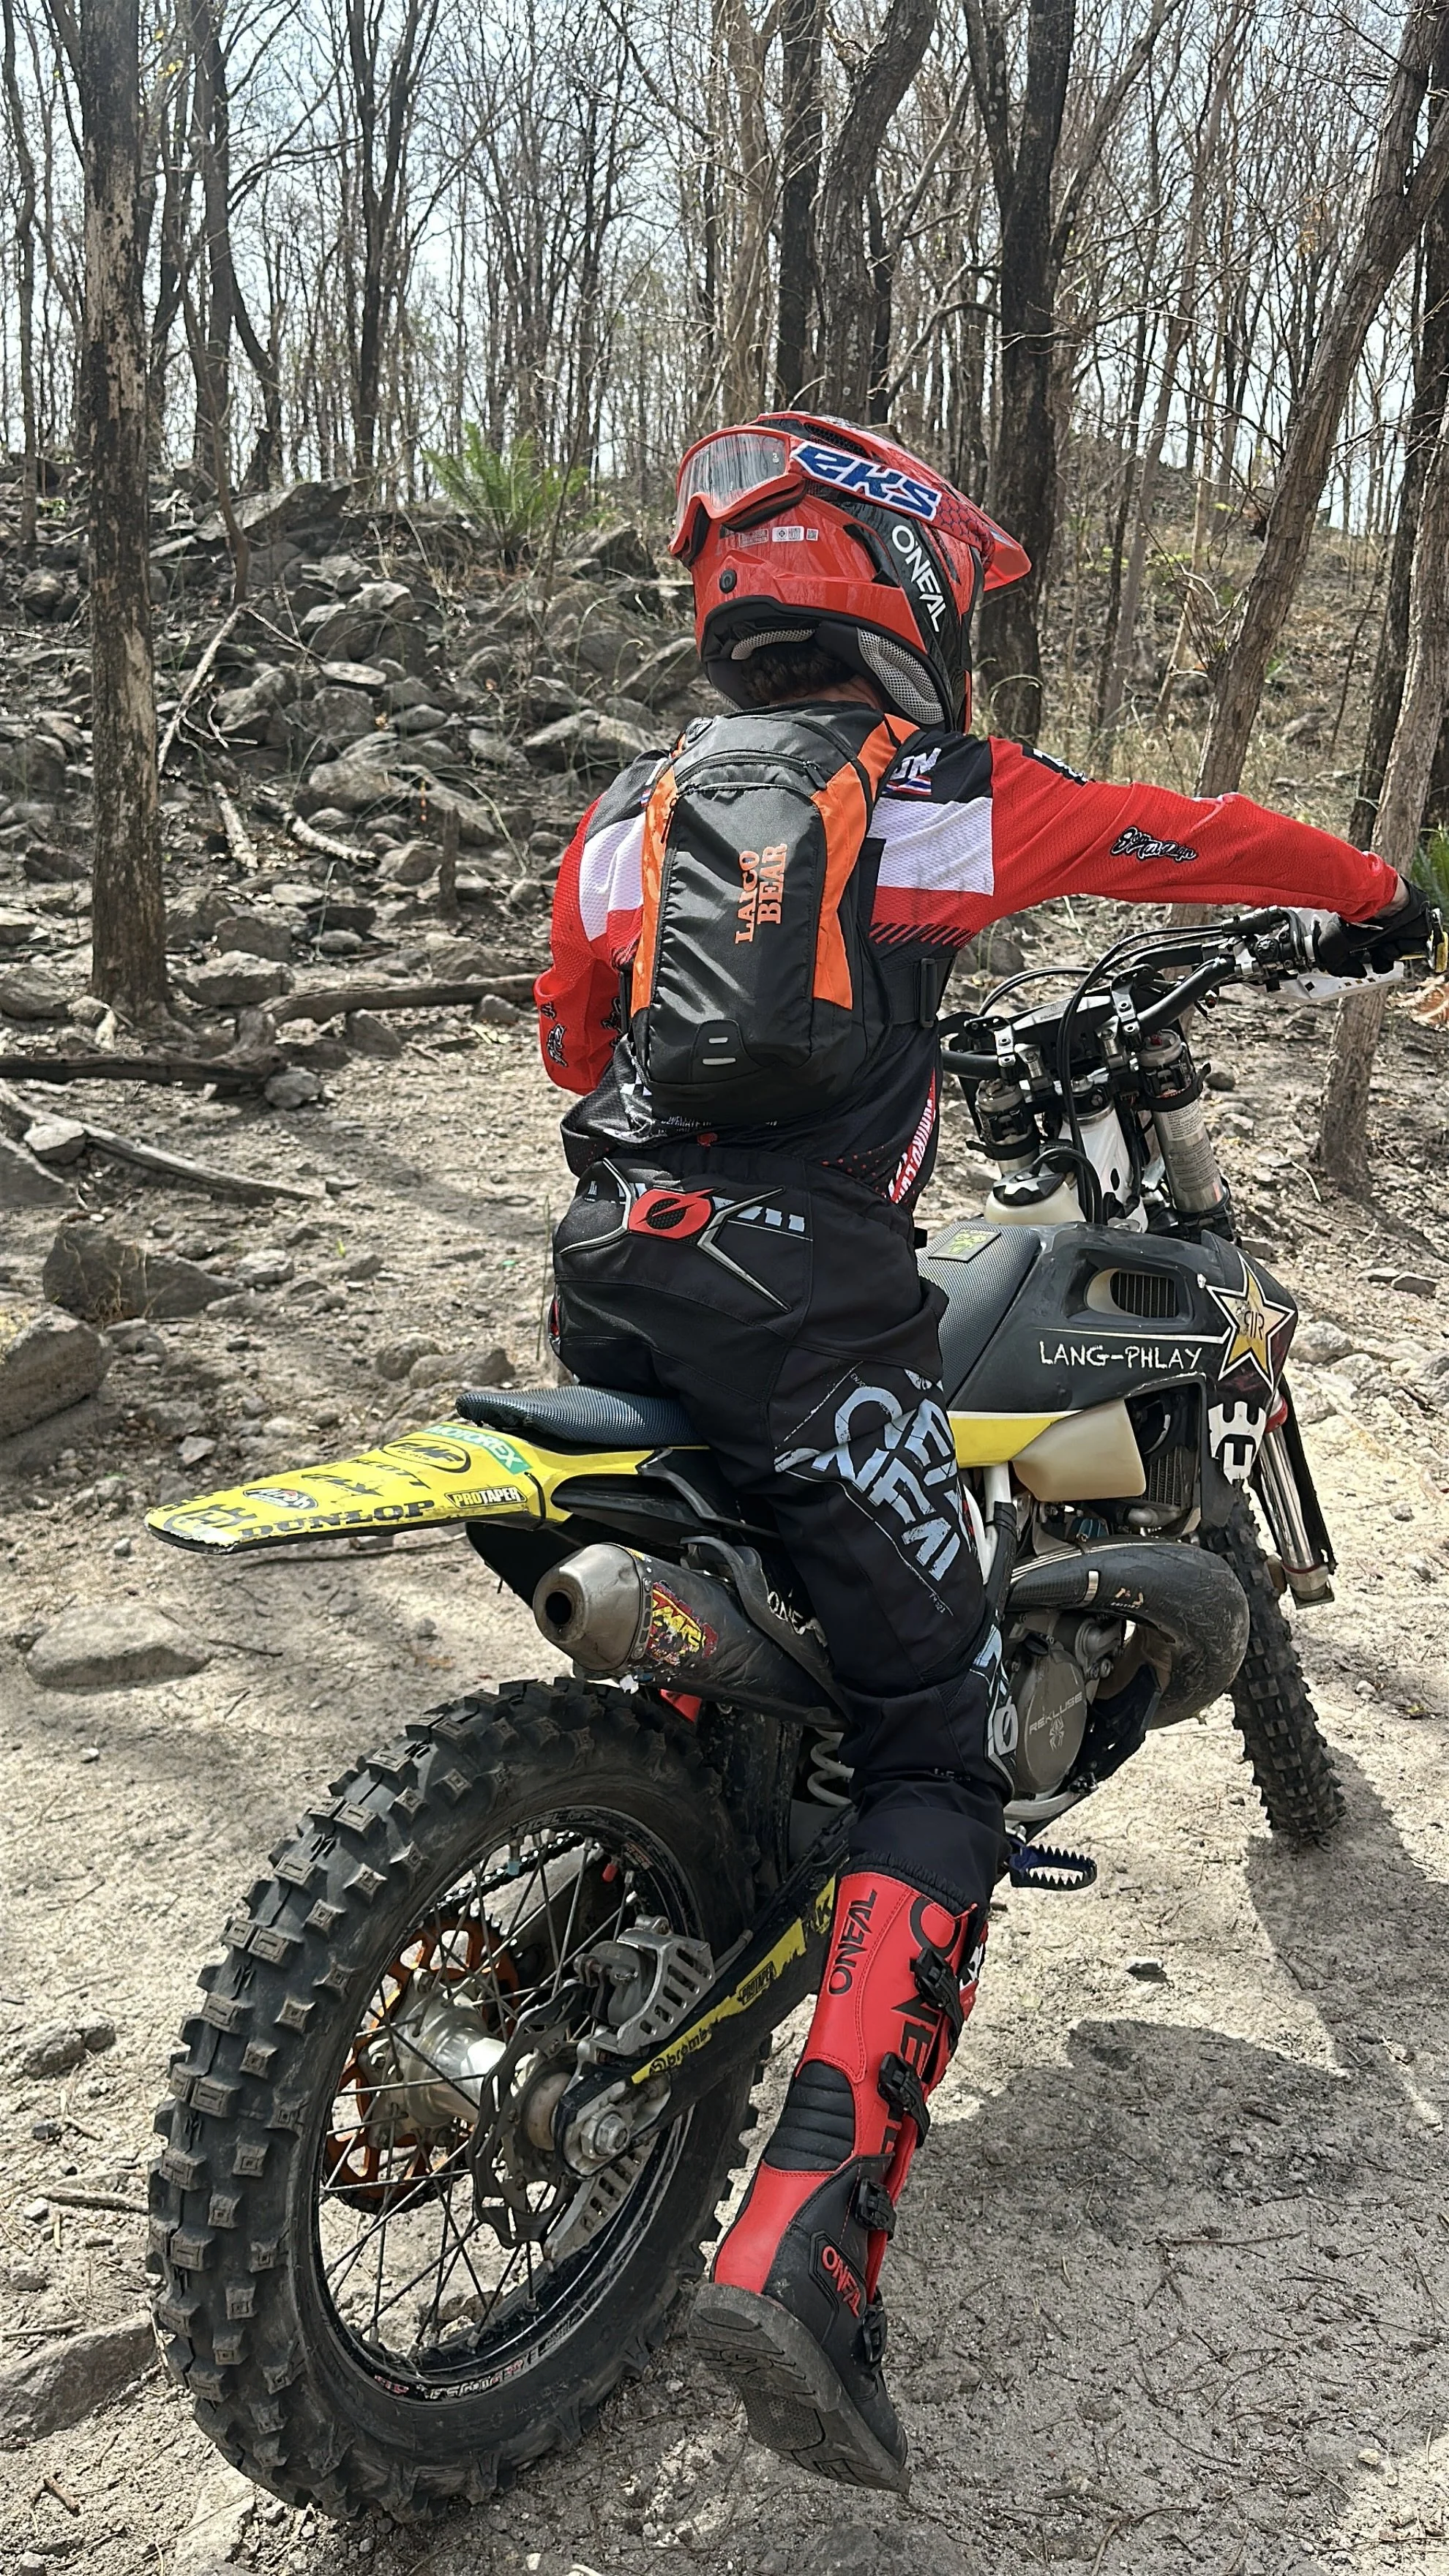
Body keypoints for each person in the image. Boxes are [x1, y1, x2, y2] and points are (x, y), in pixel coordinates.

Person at [534, 413, 1428, 2492]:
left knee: (784, 1609)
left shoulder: (622, 807)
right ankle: (807, 2244)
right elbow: (1178, 839)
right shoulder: (932, 794)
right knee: (935, 1746)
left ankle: (696, 1836)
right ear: (900, 592)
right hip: (806, 1297)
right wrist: (1380, 897)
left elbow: (576, 1043)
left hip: (611, 1278)